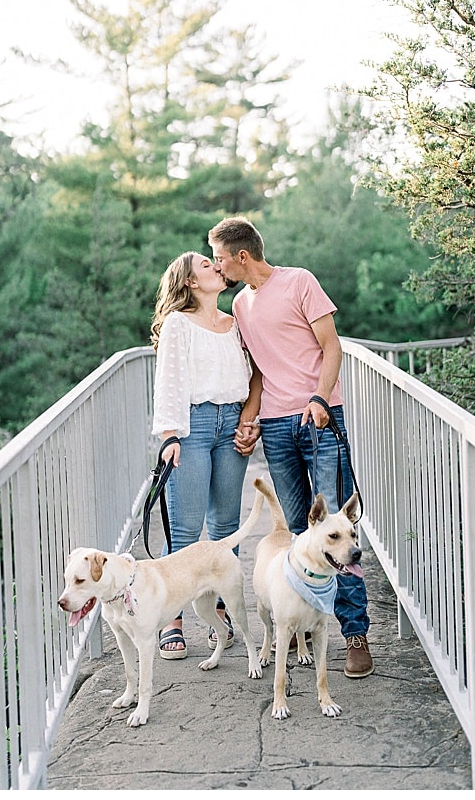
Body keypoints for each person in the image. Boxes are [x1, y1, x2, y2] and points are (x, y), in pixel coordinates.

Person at [208, 216, 374, 679]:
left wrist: (321, 398)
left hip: (321, 418)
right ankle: (302, 626)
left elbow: (332, 346)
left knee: (339, 530)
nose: (218, 267)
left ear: (242, 256)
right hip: (279, 428)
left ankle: (355, 633)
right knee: (302, 534)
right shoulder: (240, 305)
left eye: (220, 258)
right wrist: (250, 417)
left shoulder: (300, 281)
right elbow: (260, 370)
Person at [149, 251, 255, 660]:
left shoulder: (234, 324)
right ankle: (171, 620)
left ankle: (222, 614)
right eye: (206, 266)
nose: (216, 267)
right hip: (192, 428)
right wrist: (170, 435)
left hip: (232, 424)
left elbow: (251, 376)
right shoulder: (178, 324)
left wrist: (251, 420)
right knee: (186, 527)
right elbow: (170, 382)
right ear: (191, 282)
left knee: (227, 526)